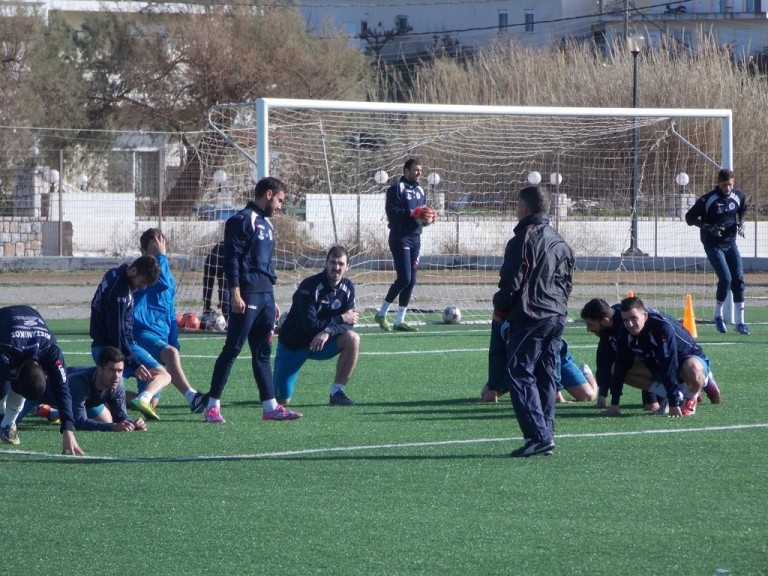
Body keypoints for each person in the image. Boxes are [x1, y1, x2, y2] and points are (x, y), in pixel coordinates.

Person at [200, 176, 302, 423]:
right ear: (268, 194)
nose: (280, 206)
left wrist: (271, 298)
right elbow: (231, 258)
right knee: (232, 349)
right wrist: (234, 292)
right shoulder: (243, 220)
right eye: (279, 200)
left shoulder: (267, 224)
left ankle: (270, 407)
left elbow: (264, 264)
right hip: (246, 296)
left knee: (263, 352)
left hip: (265, 296)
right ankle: (212, 406)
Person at [492, 185, 574, 458]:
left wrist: (500, 307)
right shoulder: (560, 240)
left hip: (531, 315)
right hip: (556, 316)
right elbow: (566, 282)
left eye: (517, 206)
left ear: (525, 208)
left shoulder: (522, 239)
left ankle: (538, 436)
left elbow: (511, 282)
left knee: (519, 372)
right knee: (546, 374)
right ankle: (546, 434)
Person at [580, 297, 721, 411]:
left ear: (645, 315)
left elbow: (669, 362)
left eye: (590, 325)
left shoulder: (661, 328)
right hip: (659, 361)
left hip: (684, 358)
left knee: (691, 369)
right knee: (617, 369)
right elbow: (616, 361)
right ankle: (678, 393)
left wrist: (670, 402)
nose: (629, 323)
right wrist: (611, 402)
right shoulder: (623, 327)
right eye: (626, 320)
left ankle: (702, 384)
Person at [273, 245, 360, 407]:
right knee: (281, 400)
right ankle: (279, 383)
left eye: (341, 264)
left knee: (353, 339)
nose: (336, 267)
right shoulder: (309, 286)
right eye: (333, 262)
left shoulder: (348, 287)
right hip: (294, 344)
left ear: (348, 267)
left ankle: (337, 393)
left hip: (321, 344)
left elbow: (350, 323)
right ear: (326, 264)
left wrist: (328, 331)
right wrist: (340, 318)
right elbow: (310, 325)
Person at [90, 255, 171, 421]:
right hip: (114, 349)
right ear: (133, 270)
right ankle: (141, 399)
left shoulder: (114, 273)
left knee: (152, 399)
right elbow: (117, 333)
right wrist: (133, 363)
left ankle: (58, 408)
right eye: (142, 282)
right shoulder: (121, 292)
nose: (142, 287)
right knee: (163, 375)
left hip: (103, 346)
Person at [133, 228, 205, 413]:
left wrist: (173, 337)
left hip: (162, 334)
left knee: (150, 404)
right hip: (142, 333)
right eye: (155, 246)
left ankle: (100, 398)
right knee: (171, 354)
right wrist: (159, 257)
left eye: (161, 244)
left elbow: (169, 308)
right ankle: (192, 397)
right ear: (143, 251)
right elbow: (160, 282)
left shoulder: (168, 274)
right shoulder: (142, 273)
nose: (160, 249)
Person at [0, 305, 84, 455]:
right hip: (4, 322)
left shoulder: (52, 351)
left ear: (45, 374)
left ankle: (7, 424)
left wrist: (68, 430)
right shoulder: (5, 351)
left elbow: (63, 391)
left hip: (31, 314)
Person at [374, 157, 436, 333]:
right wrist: (411, 212)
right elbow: (392, 212)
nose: (419, 173)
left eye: (420, 170)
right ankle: (381, 313)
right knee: (404, 278)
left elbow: (420, 216)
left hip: (416, 238)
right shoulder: (396, 189)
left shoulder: (420, 191)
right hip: (400, 238)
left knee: (412, 281)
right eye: (416, 170)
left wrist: (428, 218)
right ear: (406, 171)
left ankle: (399, 320)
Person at [685, 168, 749, 335]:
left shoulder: (738, 196)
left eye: (730, 185)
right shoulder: (708, 199)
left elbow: (743, 209)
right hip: (713, 245)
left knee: (739, 280)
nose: (727, 188)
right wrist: (707, 227)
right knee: (726, 279)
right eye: (724, 185)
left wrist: (741, 223)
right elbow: (689, 218)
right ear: (718, 184)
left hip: (731, 244)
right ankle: (718, 315)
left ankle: (741, 322)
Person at [479, 317, 596, 404]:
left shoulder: (540, 312)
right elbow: (497, 352)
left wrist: (556, 390)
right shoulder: (501, 315)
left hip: (554, 359)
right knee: (486, 393)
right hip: (521, 363)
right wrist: (494, 386)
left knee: (587, 396)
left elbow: (552, 354)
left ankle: (585, 372)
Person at [35, 347, 147, 432]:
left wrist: (133, 422)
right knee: (16, 422)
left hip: (86, 402)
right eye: (112, 370)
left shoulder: (118, 383)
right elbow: (79, 423)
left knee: (107, 422)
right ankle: (51, 410)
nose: (116, 375)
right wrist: (112, 426)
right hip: (39, 392)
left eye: (120, 371)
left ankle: (52, 413)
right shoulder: (79, 383)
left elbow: (120, 415)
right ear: (99, 369)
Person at [202, 240, 230, 321]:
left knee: (210, 284)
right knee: (225, 286)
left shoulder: (218, 246)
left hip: (213, 254)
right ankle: (228, 318)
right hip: (223, 255)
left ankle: (206, 309)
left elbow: (207, 282)